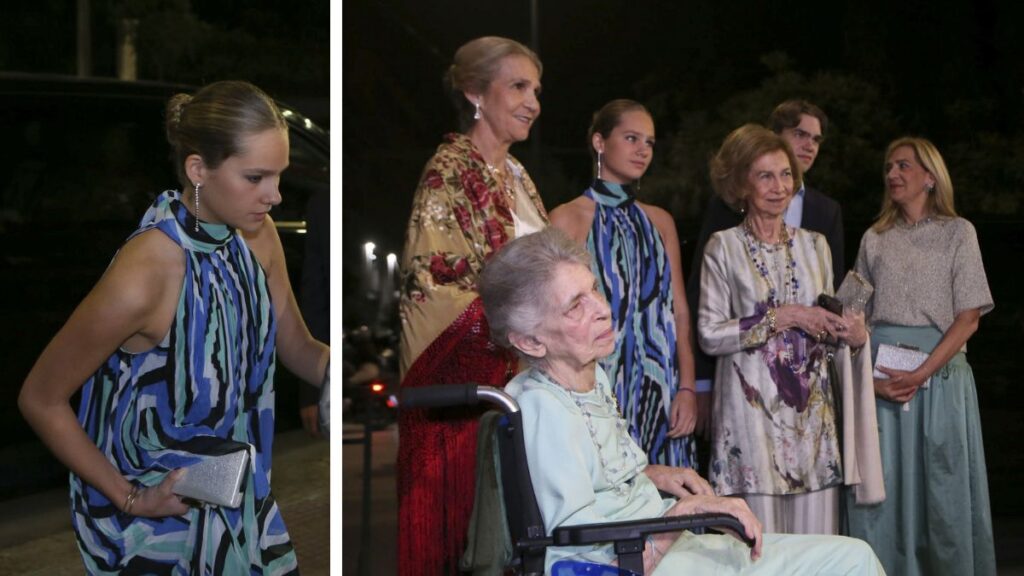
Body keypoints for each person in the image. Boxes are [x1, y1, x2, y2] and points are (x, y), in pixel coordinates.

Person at [17, 80, 330, 574]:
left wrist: (339, 377)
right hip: (160, 524)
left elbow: (295, 344)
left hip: (236, 493)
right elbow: (40, 397)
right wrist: (132, 499)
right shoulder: (146, 270)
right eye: (255, 177)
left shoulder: (258, 236)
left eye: (278, 176)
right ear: (198, 170)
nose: (274, 196)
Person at [477, 227, 885, 575]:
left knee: (852, 556)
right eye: (574, 307)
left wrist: (653, 474)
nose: (602, 310)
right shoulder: (541, 407)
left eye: (594, 291)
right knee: (849, 563)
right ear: (530, 341)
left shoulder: (590, 375)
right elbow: (576, 548)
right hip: (641, 559)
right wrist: (688, 513)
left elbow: (594, 475)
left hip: (660, 540)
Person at [397, 35, 548, 575]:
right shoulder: (449, 171)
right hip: (475, 396)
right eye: (519, 86)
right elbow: (436, 286)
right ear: (475, 93)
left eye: (536, 88)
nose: (533, 100)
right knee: (468, 542)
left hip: (527, 386)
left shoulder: (517, 176)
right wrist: (532, 332)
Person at [697, 124, 881, 535]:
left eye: (785, 174)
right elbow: (710, 334)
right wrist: (786, 316)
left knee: (816, 553)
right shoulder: (722, 247)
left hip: (812, 427)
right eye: (765, 175)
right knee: (759, 552)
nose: (779, 186)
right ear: (741, 182)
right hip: (750, 426)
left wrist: (849, 332)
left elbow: (826, 329)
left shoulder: (816, 245)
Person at [844, 137, 996, 575]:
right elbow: (851, 314)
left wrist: (923, 373)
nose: (893, 174)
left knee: (943, 491)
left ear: (930, 176)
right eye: (889, 166)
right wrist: (869, 383)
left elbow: (969, 317)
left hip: (941, 377)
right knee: (884, 489)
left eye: (904, 166)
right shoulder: (874, 238)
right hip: (884, 383)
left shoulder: (958, 232)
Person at [549, 99, 697, 468]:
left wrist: (687, 388)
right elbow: (552, 315)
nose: (642, 150)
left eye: (649, 142)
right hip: (598, 386)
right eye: (631, 138)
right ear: (600, 142)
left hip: (662, 387)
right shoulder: (566, 219)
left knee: (674, 508)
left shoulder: (661, 221)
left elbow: (678, 309)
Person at [686, 100, 844, 439]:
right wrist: (699, 383)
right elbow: (704, 316)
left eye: (816, 139)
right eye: (800, 134)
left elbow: (832, 312)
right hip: (746, 407)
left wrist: (853, 333)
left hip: (811, 411)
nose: (779, 186)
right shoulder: (723, 238)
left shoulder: (820, 236)